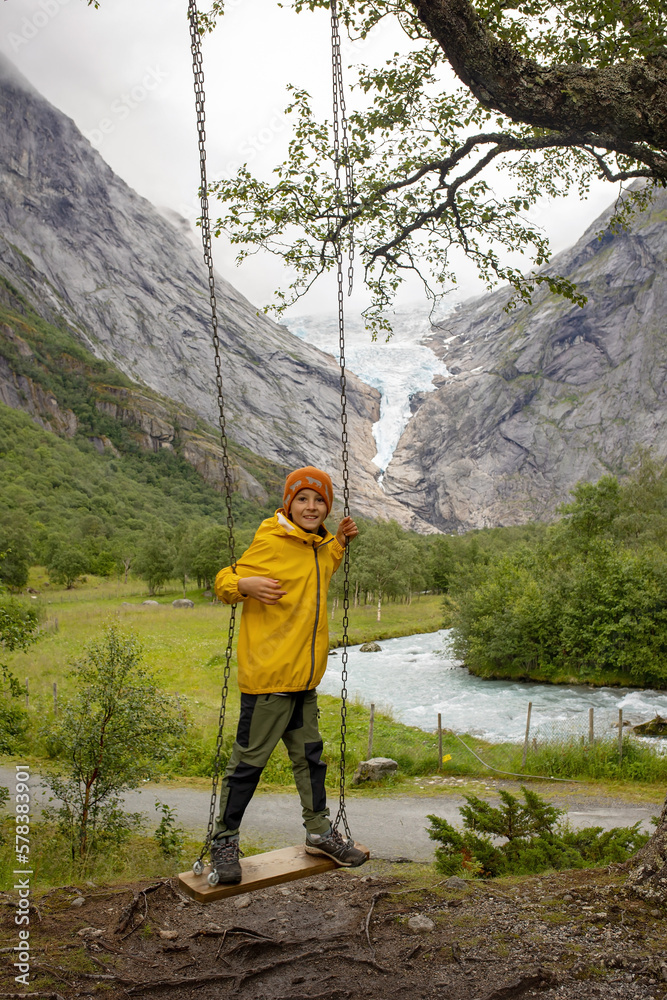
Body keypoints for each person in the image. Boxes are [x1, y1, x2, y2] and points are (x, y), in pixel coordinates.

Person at [210, 465, 367, 883]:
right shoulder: (272, 540)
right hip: (268, 680)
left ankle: (318, 832)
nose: (311, 506)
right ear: (289, 504)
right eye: (303, 499)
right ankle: (224, 841)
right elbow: (224, 580)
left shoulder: (318, 547)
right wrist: (247, 587)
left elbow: (322, 567)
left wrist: (341, 543)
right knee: (248, 765)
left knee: (310, 761)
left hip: (303, 680)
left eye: (319, 501)